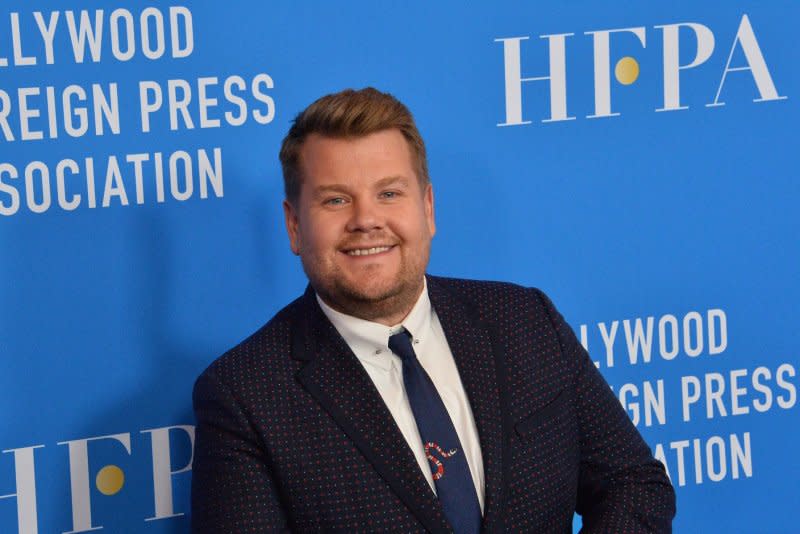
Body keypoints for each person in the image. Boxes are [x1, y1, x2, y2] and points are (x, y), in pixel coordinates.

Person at [191, 87, 675, 533]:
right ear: (295, 226)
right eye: (336, 200)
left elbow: (633, 483)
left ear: (427, 207)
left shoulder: (525, 320)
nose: (366, 220)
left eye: (389, 193)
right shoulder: (244, 395)